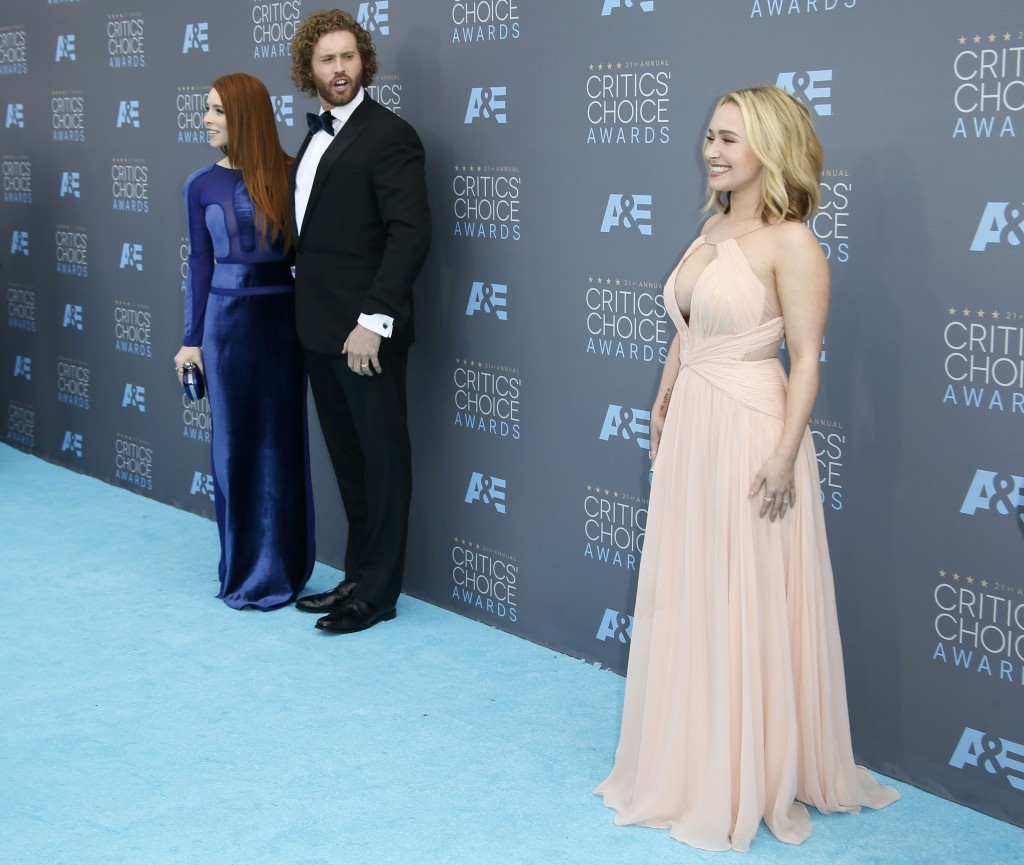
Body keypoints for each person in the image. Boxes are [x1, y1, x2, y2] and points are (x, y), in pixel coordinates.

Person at [595, 86, 898, 851]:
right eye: (710, 137)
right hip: (695, 422)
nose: (713, 151)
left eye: (730, 139)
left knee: (748, 589)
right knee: (699, 586)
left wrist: (786, 453)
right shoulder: (711, 227)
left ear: (770, 147)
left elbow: (807, 362)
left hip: (752, 428)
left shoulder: (792, 242)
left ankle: (749, 767)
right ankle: (696, 756)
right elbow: (687, 328)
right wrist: (663, 402)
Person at [288, 9, 431, 634]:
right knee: (349, 460)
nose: (340, 69)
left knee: (382, 460)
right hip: (318, 328)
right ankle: (356, 576)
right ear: (309, 69)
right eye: (327, 59)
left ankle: (378, 595)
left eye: (349, 57)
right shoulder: (315, 136)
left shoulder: (389, 134)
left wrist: (374, 320)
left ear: (363, 62)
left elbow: (409, 235)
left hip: (364, 333)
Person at [174, 72, 315, 611]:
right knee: (232, 446)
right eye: (206, 109)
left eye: (217, 111)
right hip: (225, 326)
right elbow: (200, 263)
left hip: (284, 321)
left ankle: (284, 569)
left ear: (246, 116)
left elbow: (313, 255)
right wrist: (191, 339)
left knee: (282, 443)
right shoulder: (199, 184)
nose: (207, 120)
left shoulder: (292, 175)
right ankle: (241, 570)